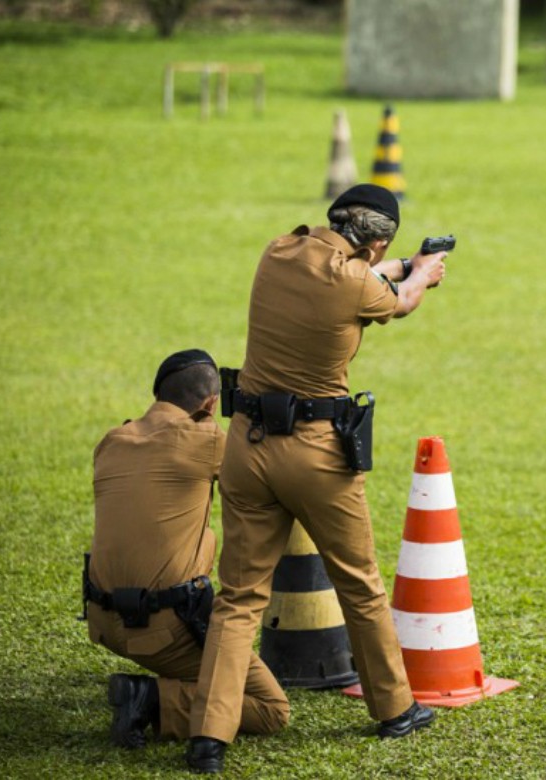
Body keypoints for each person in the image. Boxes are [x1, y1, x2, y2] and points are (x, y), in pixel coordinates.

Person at [186, 185, 448, 774]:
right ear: (377, 243)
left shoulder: (278, 250)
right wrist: (423, 273)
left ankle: (208, 735)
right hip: (315, 456)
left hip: (246, 445)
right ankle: (394, 709)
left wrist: (400, 264)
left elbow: (358, 272)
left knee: (237, 599)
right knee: (359, 583)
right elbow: (398, 300)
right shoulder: (360, 283)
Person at [85, 349, 290, 750]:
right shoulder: (206, 439)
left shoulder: (111, 441)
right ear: (211, 404)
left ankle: (157, 690)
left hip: (103, 622)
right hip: (164, 630)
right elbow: (273, 478)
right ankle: (151, 699)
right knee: (270, 707)